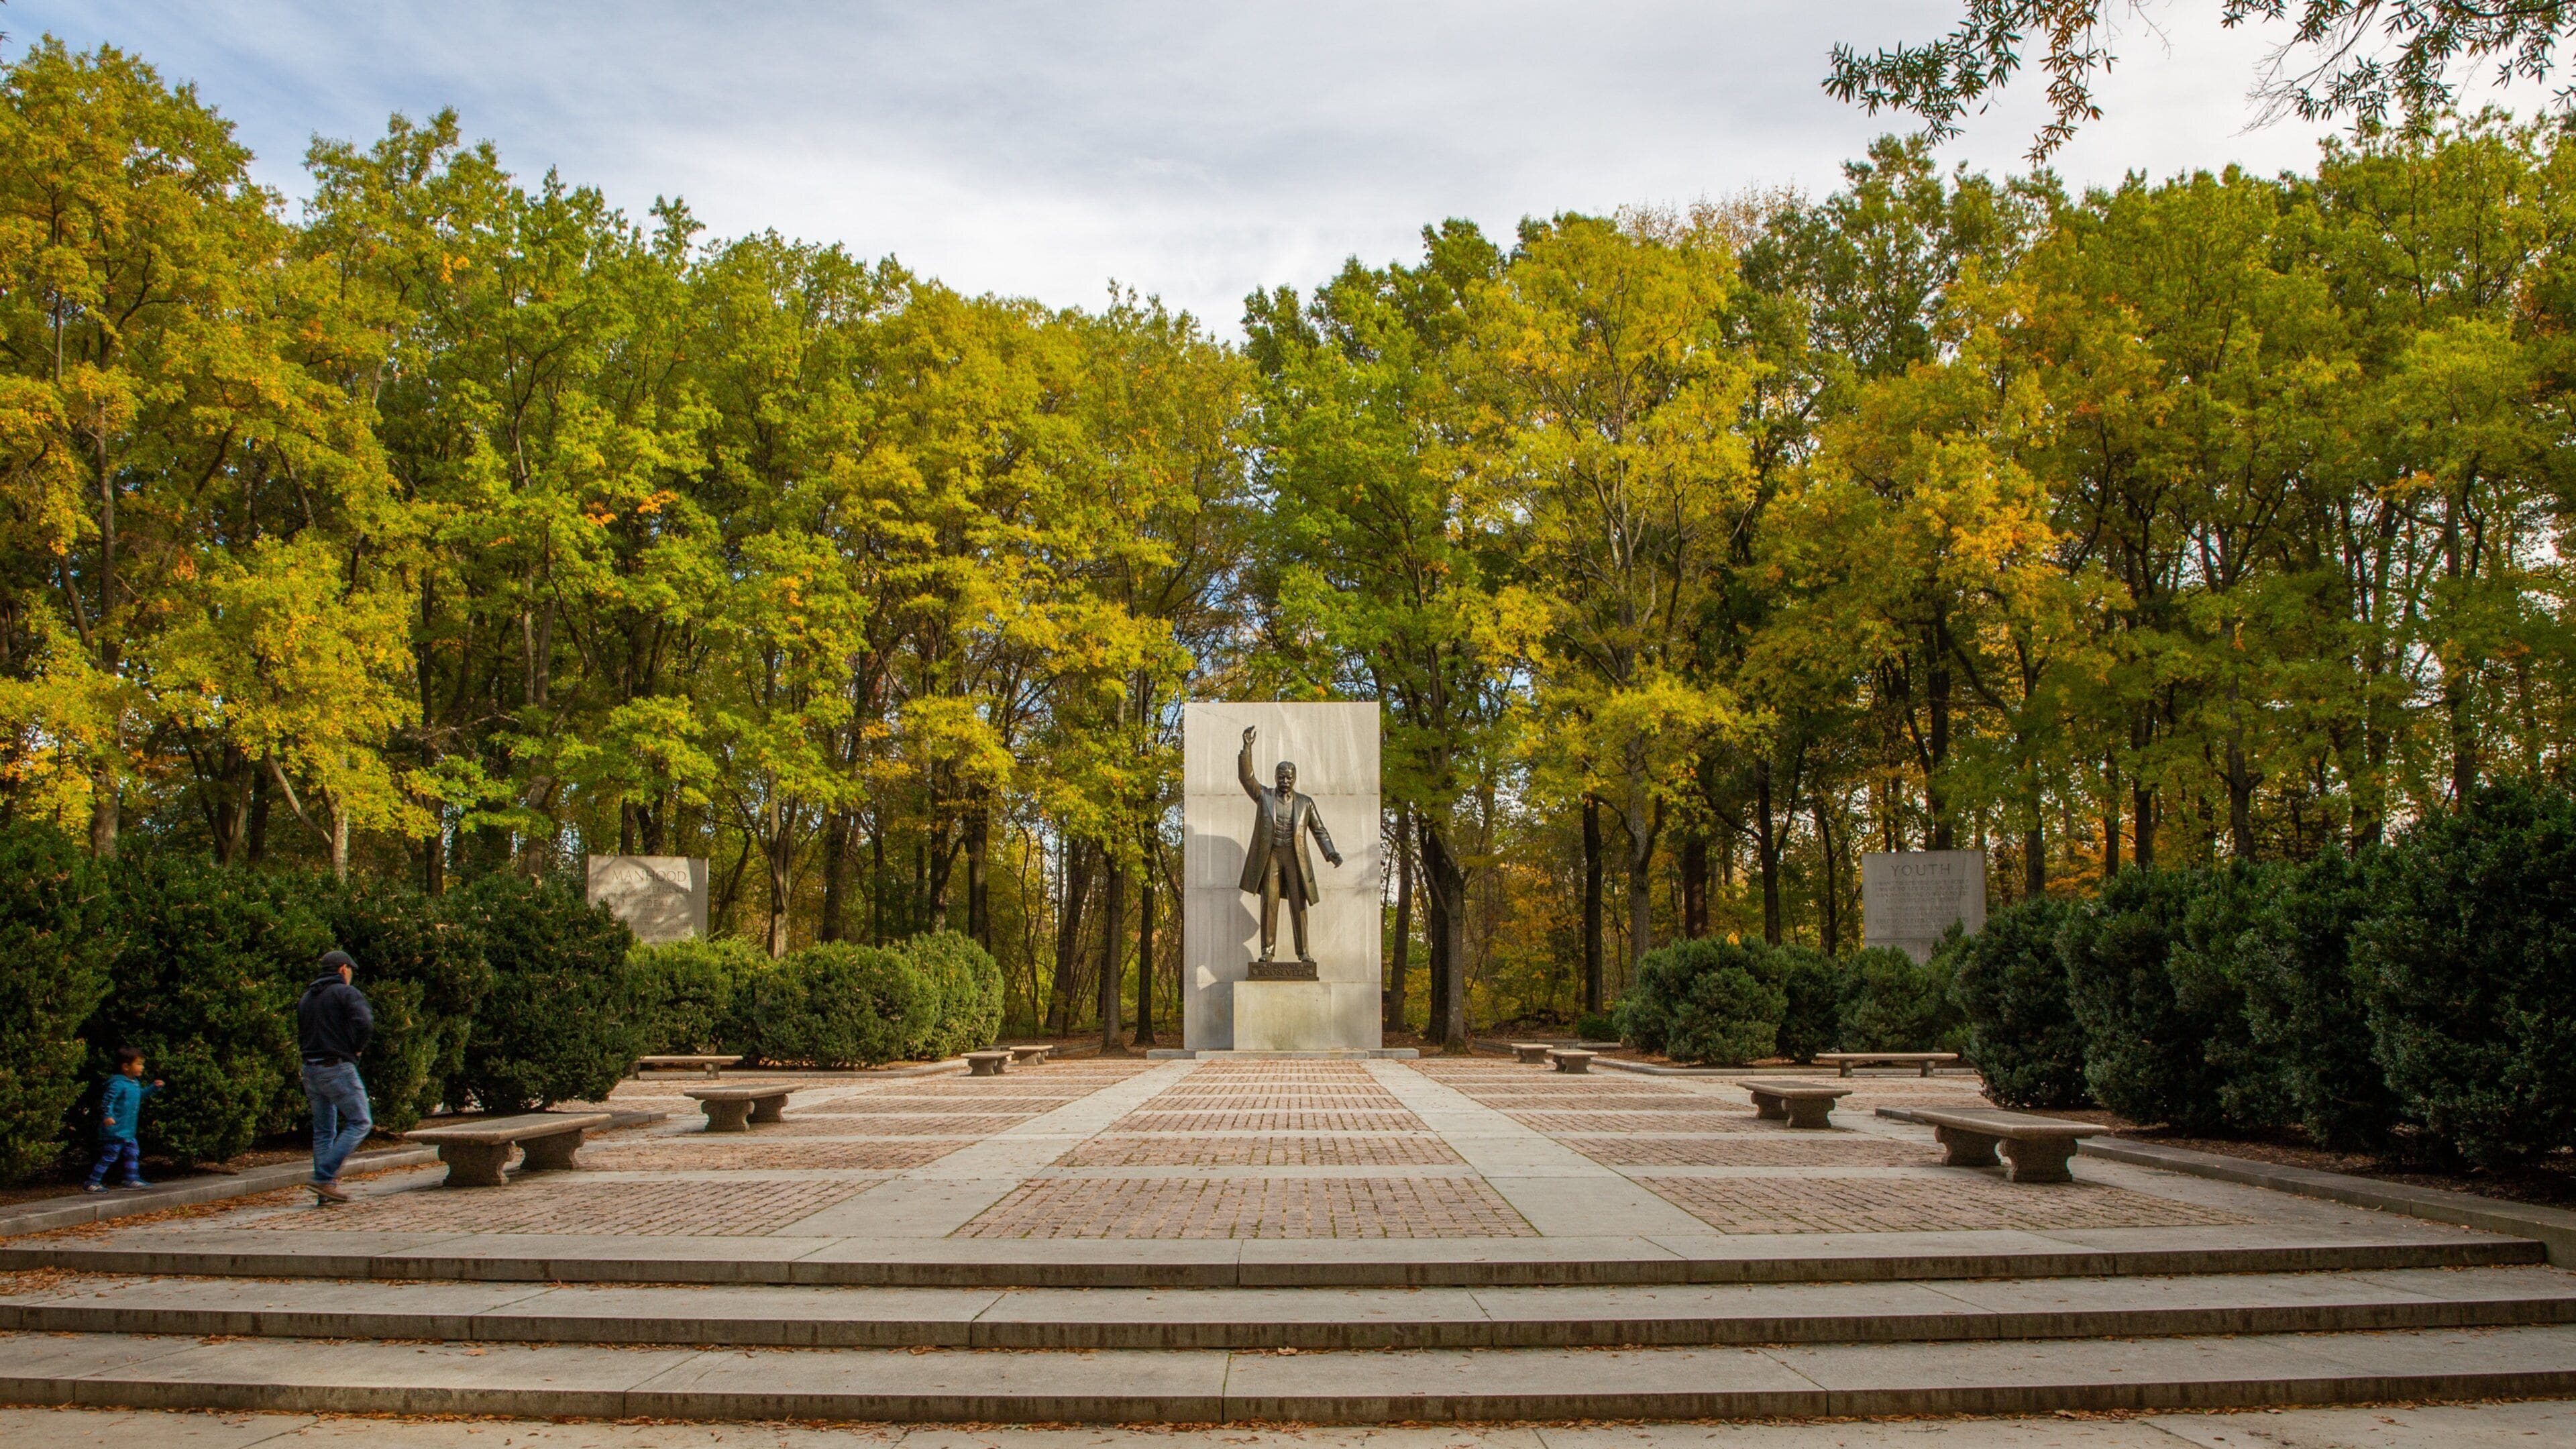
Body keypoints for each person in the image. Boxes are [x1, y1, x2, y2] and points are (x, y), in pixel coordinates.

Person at [297, 949, 374, 1204]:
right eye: (350, 970)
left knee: (323, 1131)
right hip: (337, 1067)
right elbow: (365, 1022)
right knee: (360, 1122)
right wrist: (357, 1047)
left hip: (310, 1069)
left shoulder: (307, 998)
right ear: (343, 969)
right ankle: (323, 1175)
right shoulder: (345, 993)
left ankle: (326, 1189)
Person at [85, 1046, 163, 1192]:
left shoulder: (133, 1084)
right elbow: (108, 1102)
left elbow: (139, 1095)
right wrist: (108, 1116)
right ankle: (93, 1181)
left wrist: (153, 1088)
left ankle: (131, 1178)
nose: (142, 1067)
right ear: (126, 1066)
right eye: (139, 1064)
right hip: (116, 1130)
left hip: (128, 1131)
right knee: (110, 1155)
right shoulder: (117, 1085)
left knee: (133, 1153)